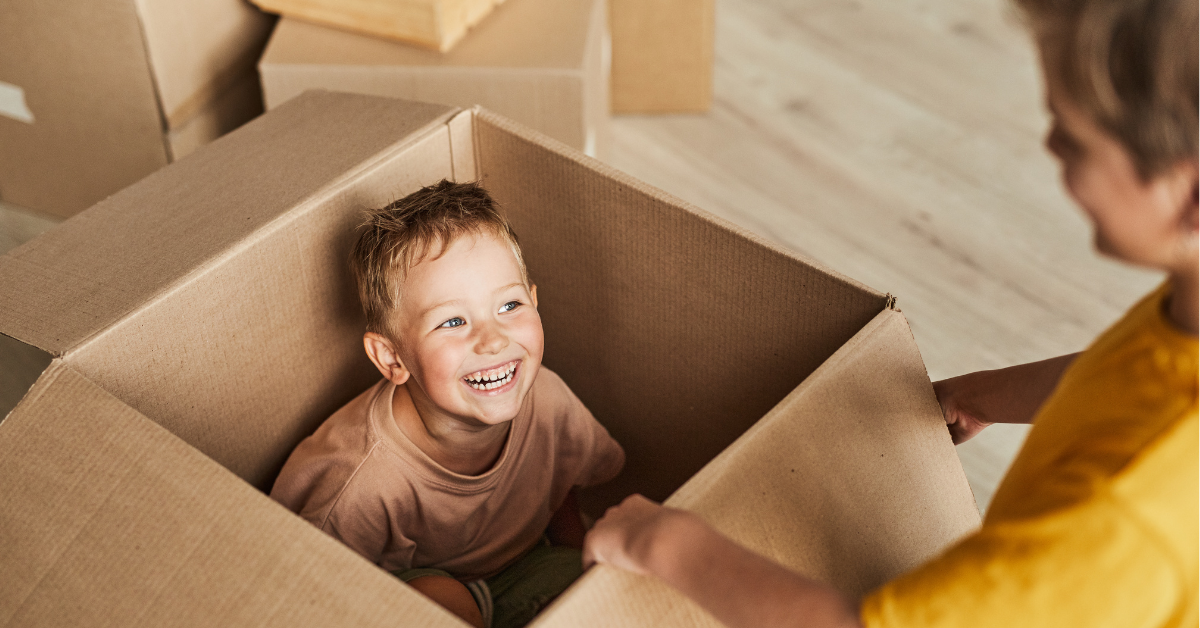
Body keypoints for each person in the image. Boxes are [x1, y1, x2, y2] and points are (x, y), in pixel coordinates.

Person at [580, 0, 1198, 625]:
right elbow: (1130, 370)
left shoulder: (1117, 516)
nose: (1050, 143)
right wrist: (982, 395)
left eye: (1073, 136)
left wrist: (664, 544)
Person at [271, 180, 625, 628]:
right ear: (392, 357)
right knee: (442, 599)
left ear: (535, 302)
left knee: (614, 576)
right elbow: (310, 586)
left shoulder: (548, 398)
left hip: (526, 567)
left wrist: (582, 569)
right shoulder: (361, 482)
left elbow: (559, 492)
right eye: (453, 321)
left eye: (509, 305)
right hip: (414, 587)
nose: (494, 340)